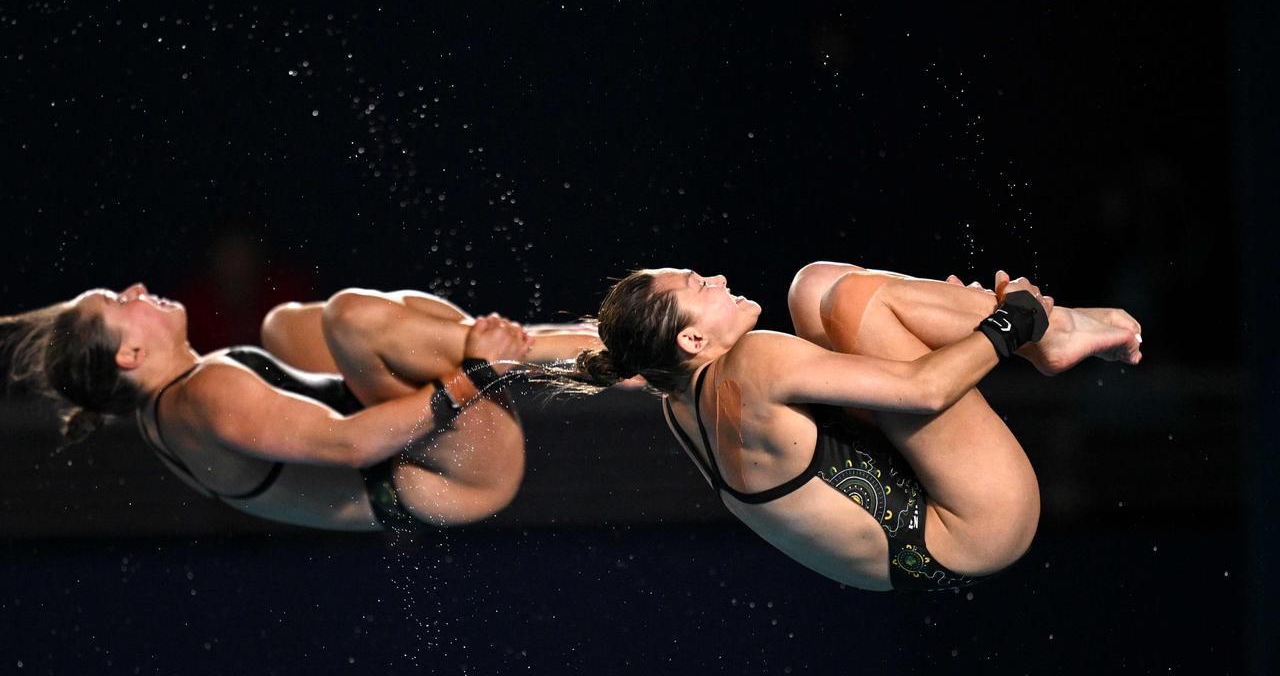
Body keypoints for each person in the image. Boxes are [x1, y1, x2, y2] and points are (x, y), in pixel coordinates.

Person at [552, 262, 1142, 591]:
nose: (717, 279)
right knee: (858, 299)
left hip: (917, 547)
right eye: (697, 286)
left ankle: (1040, 332)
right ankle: (1054, 334)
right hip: (976, 525)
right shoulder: (754, 361)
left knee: (814, 289)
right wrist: (1013, 323)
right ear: (692, 340)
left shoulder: (678, 402)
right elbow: (925, 390)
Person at [1, 284, 601, 531]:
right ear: (130, 353)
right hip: (447, 476)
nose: (134, 288)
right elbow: (352, 446)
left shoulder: (170, 404)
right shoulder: (205, 394)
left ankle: (537, 347)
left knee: (284, 325)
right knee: (352, 319)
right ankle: (595, 353)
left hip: (410, 462)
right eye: (116, 300)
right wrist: (477, 374)